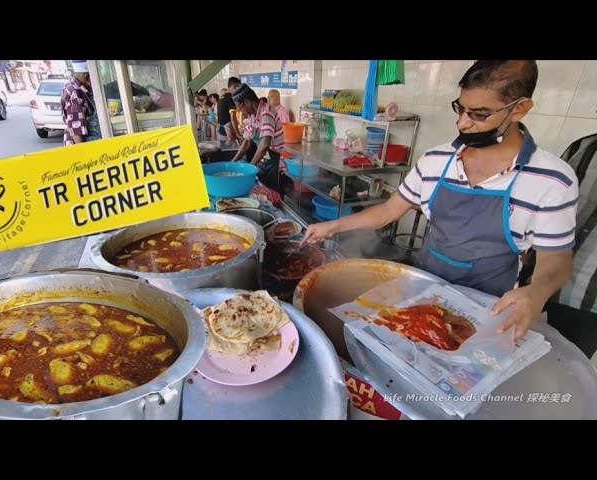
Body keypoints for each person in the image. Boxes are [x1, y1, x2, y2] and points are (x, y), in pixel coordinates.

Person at [301, 60, 579, 340]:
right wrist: (333, 226)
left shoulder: (552, 179)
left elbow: (555, 259)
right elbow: (388, 211)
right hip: (421, 292)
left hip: (487, 310)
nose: (463, 123)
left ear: (519, 108)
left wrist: (537, 292)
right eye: (460, 109)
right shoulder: (437, 160)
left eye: (479, 114)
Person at [230, 83, 284, 191]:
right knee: (261, 188)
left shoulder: (266, 112)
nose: (242, 112)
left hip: (273, 162)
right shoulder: (252, 116)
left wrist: (250, 168)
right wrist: (232, 162)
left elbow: (265, 144)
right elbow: (246, 142)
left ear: (247, 102)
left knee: (271, 192)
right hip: (262, 159)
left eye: (241, 108)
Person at [61, 60, 102, 145]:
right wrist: (84, 153)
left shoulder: (73, 86)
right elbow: (76, 129)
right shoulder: (75, 93)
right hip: (79, 145)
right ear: (87, 77)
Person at [217, 77, 241, 142]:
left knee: (224, 150)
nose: (238, 89)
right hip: (227, 131)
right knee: (231, 150)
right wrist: (238, 133)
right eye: (237, 87)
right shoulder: (230, 98)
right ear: (233, 86)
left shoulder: (221, 98)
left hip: (220, 129)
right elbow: (233, 118)